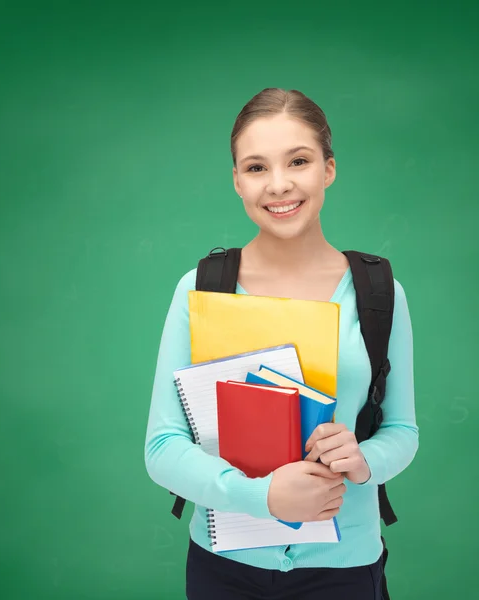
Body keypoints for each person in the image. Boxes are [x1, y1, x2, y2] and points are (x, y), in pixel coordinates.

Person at [144, 87, 419, 600]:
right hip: (223, 567)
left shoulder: (380, 293)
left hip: (345, 567)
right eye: (255, 167)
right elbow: (162, 448)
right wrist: (261, 495)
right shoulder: (200, 289)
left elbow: (402, 430)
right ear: (236, 181)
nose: (279, 185)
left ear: (328, 169)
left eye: (298, 160)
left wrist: (364, 459)